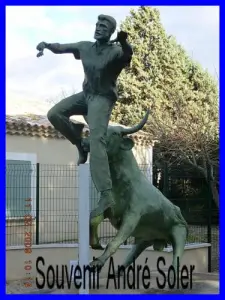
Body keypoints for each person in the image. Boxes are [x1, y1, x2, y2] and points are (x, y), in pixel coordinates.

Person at [36, 14, 133, 218]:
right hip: (86, 95)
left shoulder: (115, 51)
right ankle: (79, 142)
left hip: (102, 99)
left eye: (104, 26)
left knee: (97, 140)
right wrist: (46, 45)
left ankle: (106, 194)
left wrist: (124, 41)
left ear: (110, 32)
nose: (99, 28)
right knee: (54, 114)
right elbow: (62, 47)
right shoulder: (85, 47)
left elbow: (127, 54)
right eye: (97, 25)